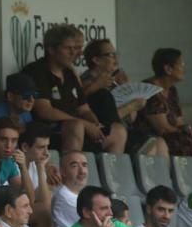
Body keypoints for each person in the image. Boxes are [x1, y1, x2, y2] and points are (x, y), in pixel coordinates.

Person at [24, 24, 126, 154]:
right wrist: (83, 123)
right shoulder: (36, 71)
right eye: (68, 48)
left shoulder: (69, 73)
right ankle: (71, 169)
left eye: (74, 48)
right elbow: (44, 111)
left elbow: (84, 109)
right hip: (52, 132)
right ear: (51, 49)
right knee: (75, 126)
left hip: (80, 128)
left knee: (118, 131)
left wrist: (93, 123)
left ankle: (110, 173)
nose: (73, 53)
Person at [134, 48, 192, 159]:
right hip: (153, 138)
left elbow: (179, 122)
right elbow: (163, 128)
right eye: (181, 64)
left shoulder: (172, 90)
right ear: (168, 69)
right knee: (188, 147)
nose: (184, 68)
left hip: (173, 136)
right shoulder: (149, 89)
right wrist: (188, 136)